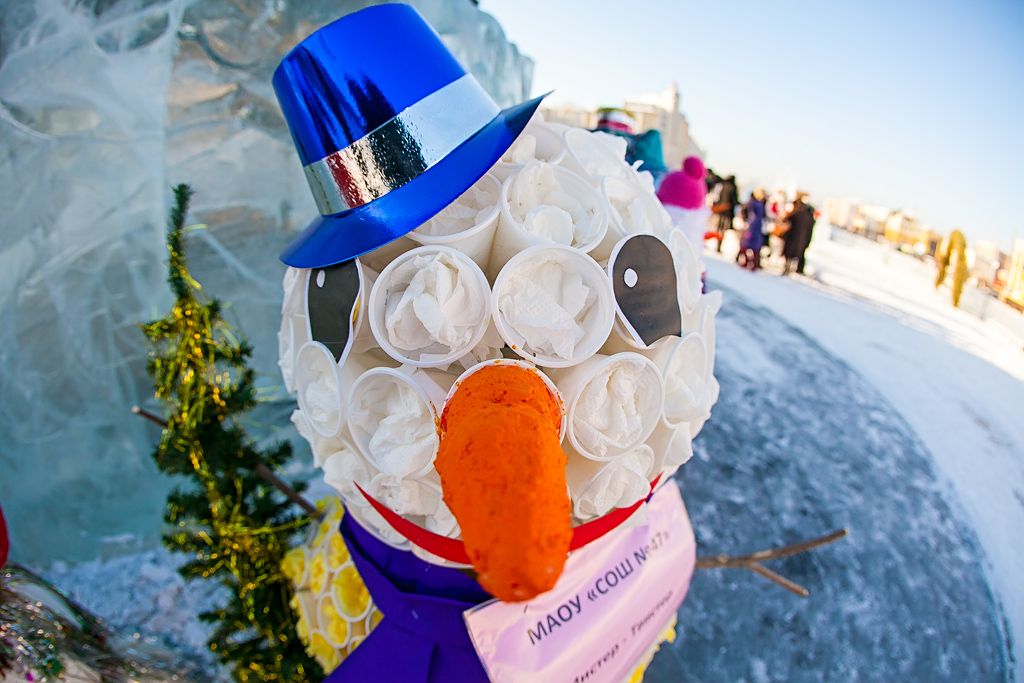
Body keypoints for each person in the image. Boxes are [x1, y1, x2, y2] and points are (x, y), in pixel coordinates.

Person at [780, 193, 815, 275]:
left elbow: (787, 219)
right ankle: (790, 268)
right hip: (800, 237)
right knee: (794, 253)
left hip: (793, 236)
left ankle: (788, 268)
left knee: (790, 252)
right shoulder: (807, 212)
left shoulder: (798, 209)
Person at [738, 188, 766, 271]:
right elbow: (744, 211)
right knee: (745, 244)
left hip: (758, 227)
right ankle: (746, 261)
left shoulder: (763, 203)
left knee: (756, 247)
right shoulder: (751, 202)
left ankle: (754, 263)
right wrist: (746, 220)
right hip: (751, 226)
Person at [711, 174, 738, 252]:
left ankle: (717, 243)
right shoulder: (732, 188)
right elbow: (734, 200)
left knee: (718, 227)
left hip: (720, 209)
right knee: (723, 229)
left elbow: (716, 196)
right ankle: (719, 243)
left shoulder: (722, 185)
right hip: (727, 211)